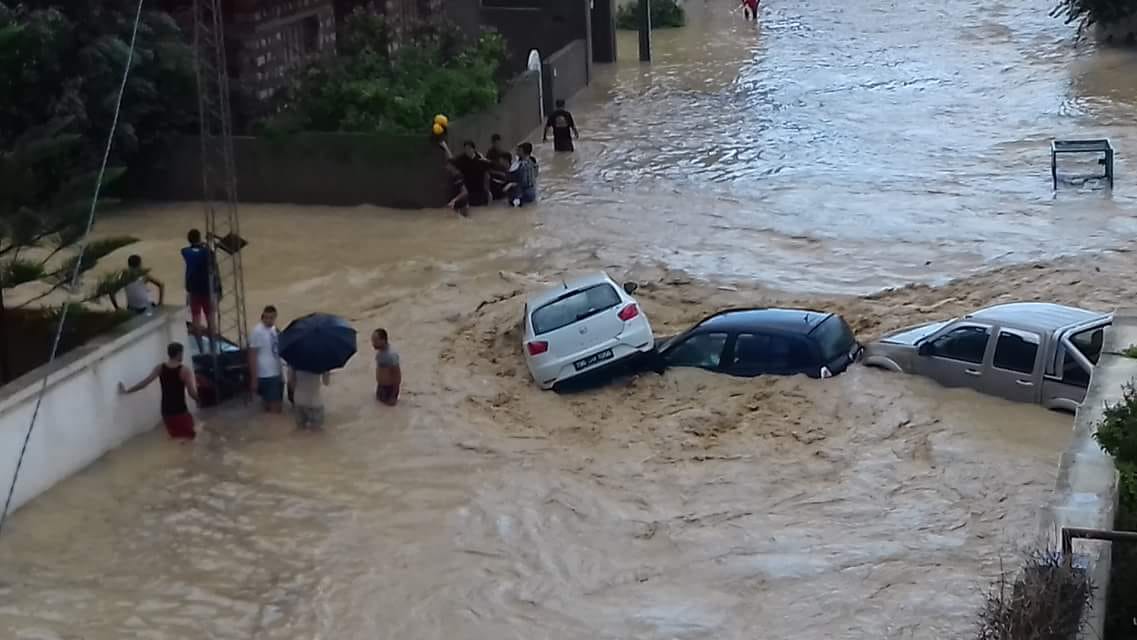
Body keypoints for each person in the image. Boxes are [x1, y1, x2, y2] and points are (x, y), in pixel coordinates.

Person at [118, 342, 199, 440]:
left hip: (166, 412)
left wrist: (126, 391)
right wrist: (200, 399)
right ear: (179, 353)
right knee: (190, 439)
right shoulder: (185, 370)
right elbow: (191, 393)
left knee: (176, 439)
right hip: (180, 411)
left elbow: (144, 383)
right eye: (182, 353)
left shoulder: (160, 368)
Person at [181, 229, 219, 337]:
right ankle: (212, 337)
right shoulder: (206, 252)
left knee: (196, 316)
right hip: (207, 289)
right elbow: (211, 254)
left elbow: (186, 249)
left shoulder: (186, 252)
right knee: (210, 316)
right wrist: (207, 242)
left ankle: (198, 340)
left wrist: (201, 244)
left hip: (193, 289)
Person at [249, 305, 284, 413]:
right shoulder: (257, 332)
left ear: (275, 317)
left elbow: (277, 352)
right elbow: (252, 355)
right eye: (266, 317)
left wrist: (282, 374)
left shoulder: (275, 330)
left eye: (271, 318)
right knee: (275, 409)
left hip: (276, 372)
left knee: (273, 407)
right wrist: (254, 379)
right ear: (262, 317)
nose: (269, 320)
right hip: (266, 374)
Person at [440, 140, 493, 208]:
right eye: (465, 149)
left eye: (469, 148)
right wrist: (445, 147)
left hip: (480, 192)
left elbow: (487, 175)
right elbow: (452, 161)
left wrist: (488, 192)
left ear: (473, 149)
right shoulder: (462, 159)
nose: (467, 150)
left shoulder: (480, 159)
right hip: (469, 193)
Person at [373, 328, 401, 406]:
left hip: (390, 390)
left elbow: (397, 377)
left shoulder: (391, 355)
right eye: (373, 340)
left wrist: (393, 396)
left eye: (375, 341)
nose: (373, 343)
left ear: (383, 340)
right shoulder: (379, 353)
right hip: (381, 388)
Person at [505, 142, 538, 207]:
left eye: (518, 150)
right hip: (532, 192)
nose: (516, 151)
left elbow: (523, 182)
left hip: (523, 194)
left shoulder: (522, 165)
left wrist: (511, 184)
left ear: (522, 151)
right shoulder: (533, 161)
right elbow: (536, 175)